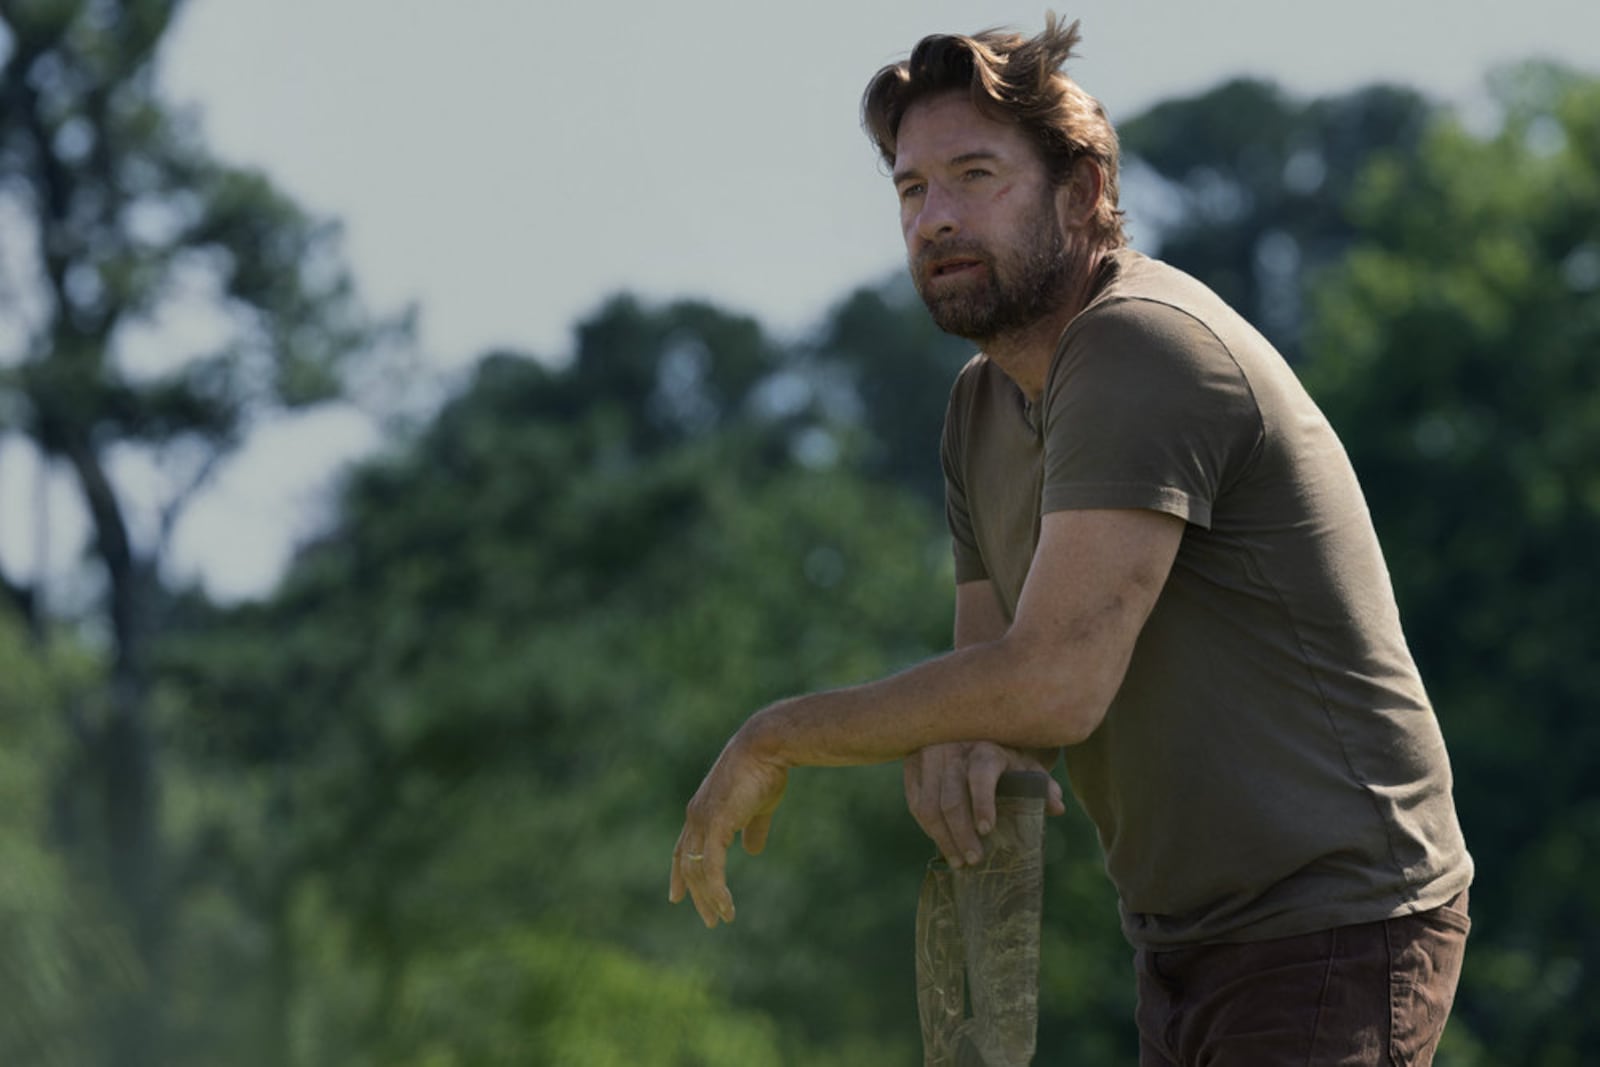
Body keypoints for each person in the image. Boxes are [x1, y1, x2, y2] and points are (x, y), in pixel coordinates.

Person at [669, 15, 1473, 1065]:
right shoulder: (977, 407)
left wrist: (775, 733)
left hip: (1335, 923)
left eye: (974, 175)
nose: (935, 218)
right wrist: (957, 745)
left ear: (1082, 190)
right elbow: (990, 694)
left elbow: (1051, 684)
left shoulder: (1142, 343)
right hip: (1182, 943)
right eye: (912, 190)